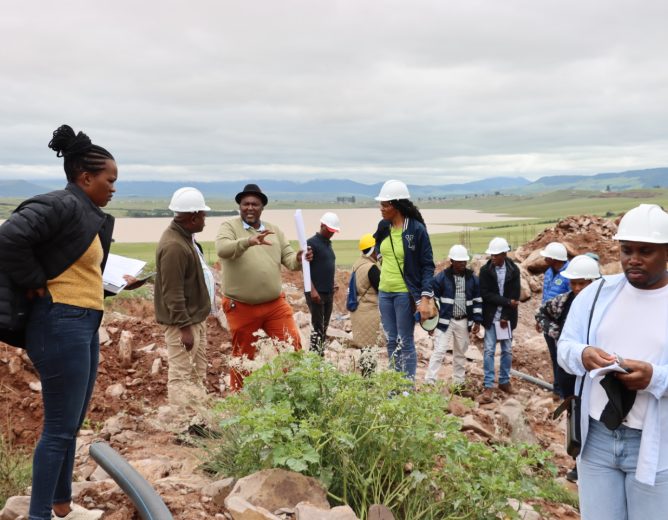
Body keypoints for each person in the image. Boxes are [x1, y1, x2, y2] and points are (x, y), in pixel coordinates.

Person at [0, 125, 119, 520]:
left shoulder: (85, 212)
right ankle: (39, 516)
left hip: (82, 319)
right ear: (86, 178)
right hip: (59, 322)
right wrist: (34, 281)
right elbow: (8, 238)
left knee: (71, 422)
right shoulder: (60, 205)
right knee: (57, 428)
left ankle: (62, 504)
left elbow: (75, 268)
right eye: (109, 180)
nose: (113, 188)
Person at [558, 204, 668, 518]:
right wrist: (583, 355)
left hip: (654, 445)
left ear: (666, 251)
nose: (633, 259)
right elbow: (565, 348)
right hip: (597, 442)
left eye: (645, 251)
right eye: (626, 250)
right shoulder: (595, 295)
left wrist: (655, 377)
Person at [215, 183, 311, 390]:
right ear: (240, 206)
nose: (250, 208)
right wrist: (248, 241)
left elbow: (289, 259)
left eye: (255, 204)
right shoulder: (229, 227)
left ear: (262, 207)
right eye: (245, 204)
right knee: (243, 357)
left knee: (291, 347)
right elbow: (222, 249)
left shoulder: (274, 231)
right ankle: (241, 402)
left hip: (275, 305)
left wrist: (300, 257)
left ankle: (294, 392)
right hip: (241, 306)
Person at [535, 254, 601, 482]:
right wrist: (559, 336)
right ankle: (578, 465)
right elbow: (541, 313)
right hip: (570, 375)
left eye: (583, 283)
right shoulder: (563, 302)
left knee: (597, 419)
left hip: (597, 376)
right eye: (574, 283)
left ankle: (596, 467)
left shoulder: (605, 306)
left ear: (594, 282)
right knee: (575, 419)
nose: (578, 288)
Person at [154, 187, 214, 408]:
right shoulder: (175, 246)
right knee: (181, 375)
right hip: (184, 323)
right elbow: (173, 292)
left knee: (197, 372)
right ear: (194, 216)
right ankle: (181, 426)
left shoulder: (184, 238)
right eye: (203, 215)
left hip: (193, 319)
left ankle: (197, 421)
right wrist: (184, 328)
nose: (205, 220)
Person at [373, 180, 435, 381]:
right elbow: (377, 248)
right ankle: (394, 385)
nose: (381, 209)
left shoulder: (416, 230)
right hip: (384, 292)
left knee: (404, 340)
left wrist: (425, 298)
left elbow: (427, 265)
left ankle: (406, 387)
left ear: (397, 205)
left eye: (385, 204)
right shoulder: (383, 227)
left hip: (403, 294)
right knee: (391, 341)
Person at [425, 245, 482, 391]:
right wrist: (431, 324)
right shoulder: (441, 278)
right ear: (452, 261)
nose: (462, 264)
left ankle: (458, 383)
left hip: (463, 321)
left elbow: (477, 300)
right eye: (459, 262)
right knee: (439, 350)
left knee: (460, 353)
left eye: (464, 262)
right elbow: (433, 302)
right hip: (445, 321)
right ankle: (430, 382)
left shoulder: (472, 279)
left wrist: (477, 321)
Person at [478, 237, 521, 404]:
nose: (493, 258)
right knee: (488, 351)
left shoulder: (514, 270)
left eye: (496, 255)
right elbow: (485, 294)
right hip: (490, 317)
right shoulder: (485, 271)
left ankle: (504, 381)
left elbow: (515, 297)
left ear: (504, 254)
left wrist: (505, 317)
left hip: (506, 318)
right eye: (491, 255)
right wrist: (505, 302)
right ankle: (488, 386)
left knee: (507, 350)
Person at [536, 241, 571, 400]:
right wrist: (541, 319)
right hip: (548, 323)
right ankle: (558, 390)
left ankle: (565, 392)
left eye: (547, 257)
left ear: (555, 259)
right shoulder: (549, 272)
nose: (544, 260)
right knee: (554, 356)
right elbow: (545, 298)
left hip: (563, 324)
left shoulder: (569, 273)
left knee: (563, 357)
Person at [305, 212, 340, 355]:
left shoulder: (328, 245)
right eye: (330, 230)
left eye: (333, 231)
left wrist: (332, 282)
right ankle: (314, 361)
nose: (331, 234)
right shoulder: (311, 243)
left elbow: (325, 266)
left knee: (324, 327)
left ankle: (319, 359)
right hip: (316, 293)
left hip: (328, 292)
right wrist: (312, 290)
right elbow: (305, 268)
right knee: (318, 328)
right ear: (322, 226)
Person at [349, 233, 382, 376]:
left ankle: (366, 377)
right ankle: (369, 379)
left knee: (364, 348)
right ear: (373, 250)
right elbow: (382, 288)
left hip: (358, 311)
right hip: (369, 312)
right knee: (370, 348)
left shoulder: (357, 264)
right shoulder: (371, 268)